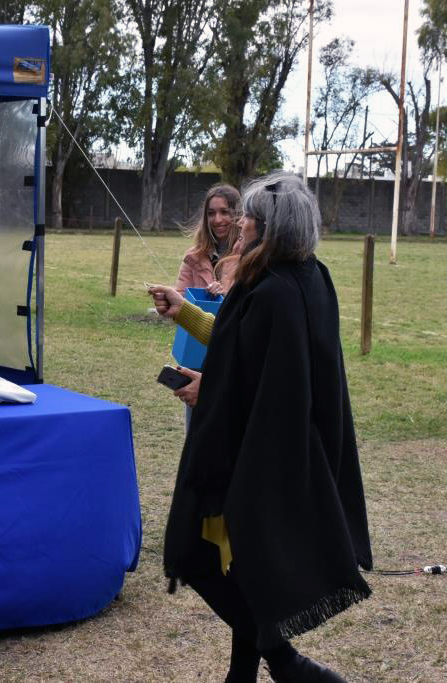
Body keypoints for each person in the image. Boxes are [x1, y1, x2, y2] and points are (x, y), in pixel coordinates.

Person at [148, 171, 372, 683]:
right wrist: (187, 315)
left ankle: (288, 662)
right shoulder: (309, 276)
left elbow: (266, 383)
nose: (240, 221)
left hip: (260, 452)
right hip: (289, 445)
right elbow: (247, 354)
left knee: (197, 554)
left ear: (268, 228)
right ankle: (243, 675)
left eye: (248, 214)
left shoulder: (271, 290)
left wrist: (211, 391)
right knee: (241, 565)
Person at [171, 184, 241, 412]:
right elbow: (179, 301)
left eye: (224, 212)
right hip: (196, 356)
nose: (217, 219)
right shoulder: (193, 257)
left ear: (237, 214)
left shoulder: (249, 257)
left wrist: (227, 295)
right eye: (211, 213)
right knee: (195, 429)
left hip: (233, 356)